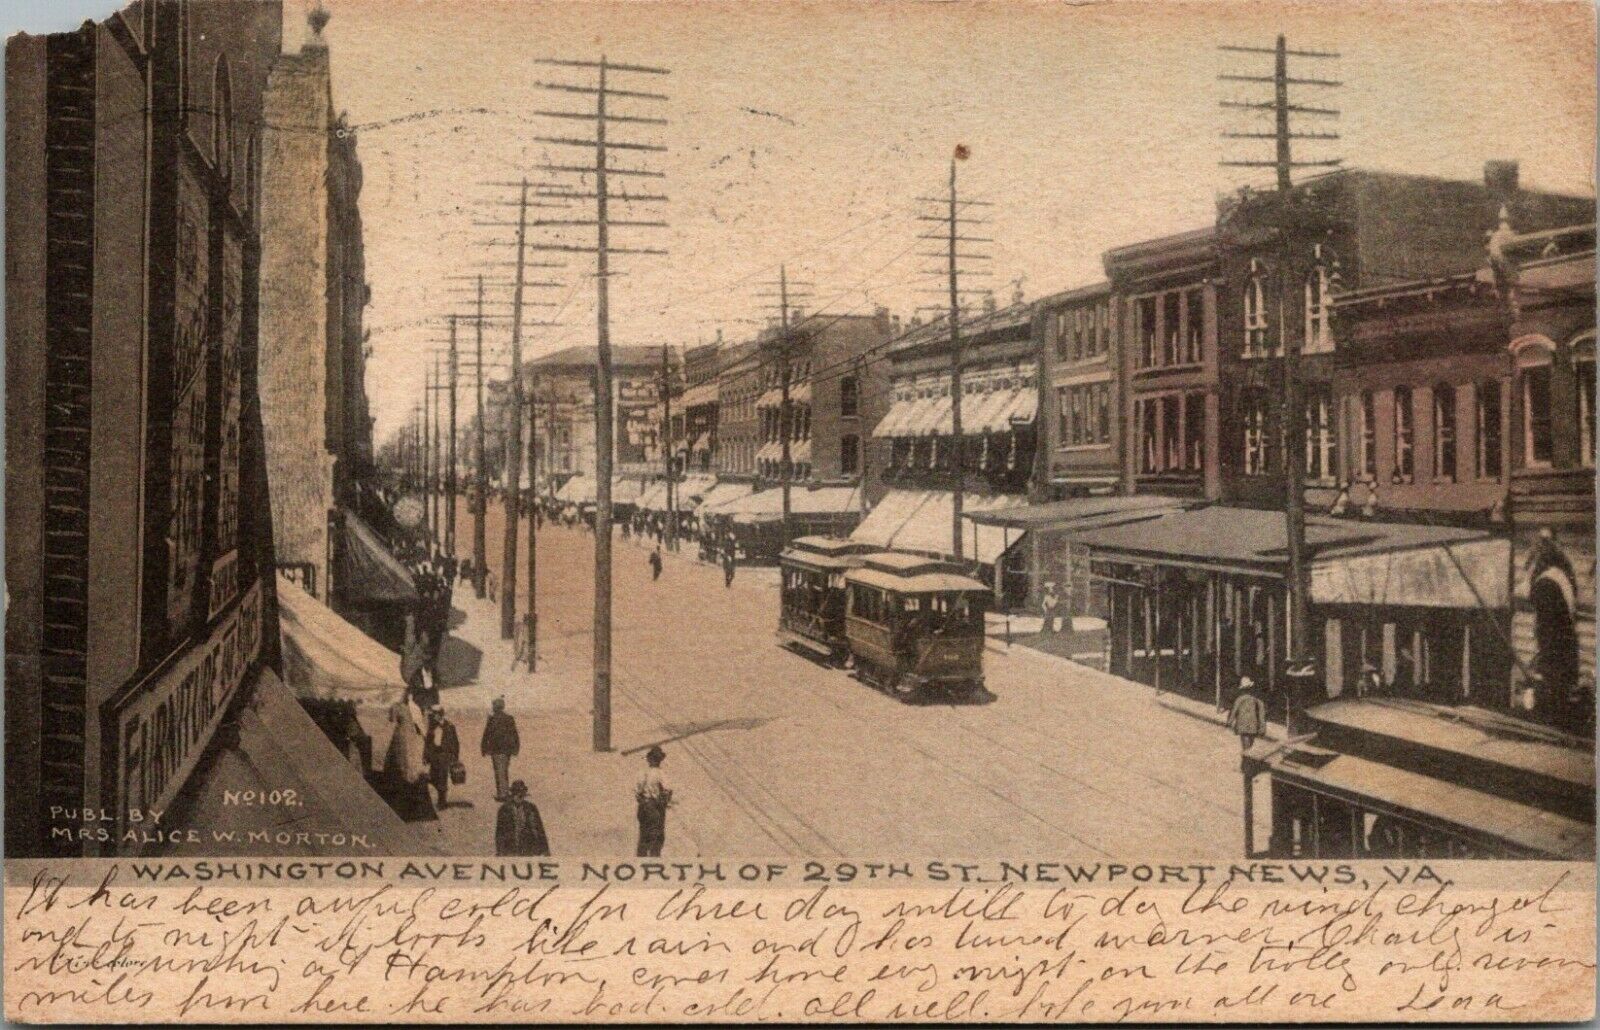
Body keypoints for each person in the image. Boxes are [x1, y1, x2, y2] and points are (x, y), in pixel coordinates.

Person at [635, 745, 673, 857]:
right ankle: (654, 856)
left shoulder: (643, 773)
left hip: (644, 806)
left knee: (644, 832)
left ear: (649, 760)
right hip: (656, 807)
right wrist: (664, 802)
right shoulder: (661, 774)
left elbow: (638, 791)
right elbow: (668, 790)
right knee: (657, 833)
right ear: (660, 761)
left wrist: (642, 801)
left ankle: (641, 856)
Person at [481, 697, 521, 801]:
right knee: (503, 771)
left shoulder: (492, 719)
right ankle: (504, 792)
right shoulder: (509, 718)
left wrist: (484, 748)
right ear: (502, 707)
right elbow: (515, 734)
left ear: (494, 707)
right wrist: (516, 748)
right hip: (507, 750)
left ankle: (502, 794)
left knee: (499, 771)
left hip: (496, 750)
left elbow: (486, 734)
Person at [495, 781, 550, 856]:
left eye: (521, 793)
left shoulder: (531, 808)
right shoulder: (504, 809)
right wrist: (500, 851)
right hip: (510, 851)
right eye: (516, 793)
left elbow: (539, 830)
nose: (519, 795)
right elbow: (500, 833)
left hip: (528, 850)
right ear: (512, 794)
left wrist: (545, 850)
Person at [425, 707, 461, 808]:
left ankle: (442, 802)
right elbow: (428, 743)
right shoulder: (432, 727)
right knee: (433, 777)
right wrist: (426, 756)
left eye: (434, 714)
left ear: (440, 715)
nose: (432, 716)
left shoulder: (450, 726)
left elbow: (455, 743)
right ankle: (440, 797)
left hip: (444, 756)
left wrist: (455, 757)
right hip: (434, 756)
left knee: (442, 779)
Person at [1227, 676, 1268, 753]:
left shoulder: (1239, 699)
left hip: (1242, 725)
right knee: (1250, 745)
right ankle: (1248, 757)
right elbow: (1262, 714)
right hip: (1253, 726)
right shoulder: (1257, 700)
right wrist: (1263, 727)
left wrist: (1229, 722)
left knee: (1245, 746)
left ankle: (1247, 759)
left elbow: (1234, 711)